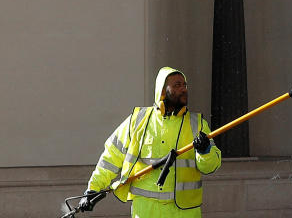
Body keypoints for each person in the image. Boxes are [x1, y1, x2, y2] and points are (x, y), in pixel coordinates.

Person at [78, 67, 222, 216]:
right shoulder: (137, 121)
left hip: (183, 212)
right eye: (177, 85)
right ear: (162, 90)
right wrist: (93, 188)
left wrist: (205, 152)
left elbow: (211, 167)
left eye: (185, 85)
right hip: (145, 211)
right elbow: (111, 157)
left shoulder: (197, 124)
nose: (184, 89)